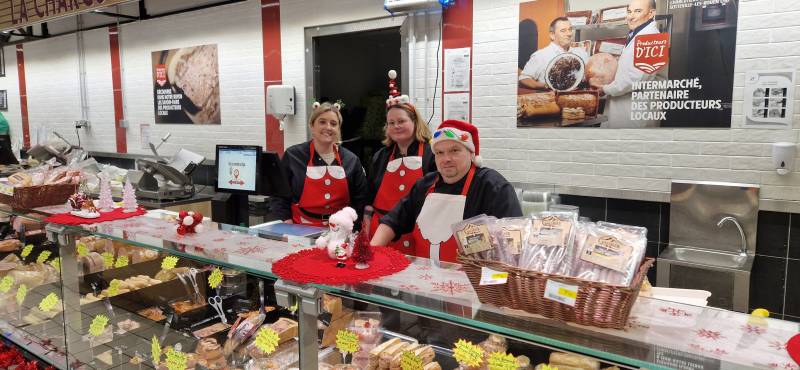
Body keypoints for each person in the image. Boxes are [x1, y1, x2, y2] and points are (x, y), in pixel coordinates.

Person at [370, 120, 522, 265]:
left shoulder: (493, 186)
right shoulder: (425, 185)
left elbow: (514, 241)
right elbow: (393, 221)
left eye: (454, 150)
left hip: (473, 285)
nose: (446, 159)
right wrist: (372, 253)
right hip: (424, 281)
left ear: (471, 153)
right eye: (440, 153)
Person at [271, 102, 369, 227]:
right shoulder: (293, 156)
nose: (328, 127)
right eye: (322, 122)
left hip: (340, 230)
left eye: (333, 124)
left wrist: (350, 226)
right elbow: (279, 195)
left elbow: (360, 199)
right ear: (312, 125)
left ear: (338, 129)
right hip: (300, 227)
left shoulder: (351, 160)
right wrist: (286, 222)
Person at [369, 94, 435, 252]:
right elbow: (370, 195)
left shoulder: (431, 153)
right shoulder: (381, 156)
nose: (396, 126)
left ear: (415, 122)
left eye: (401, 121)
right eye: (391, 123)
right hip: (381, 233)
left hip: (417, 230)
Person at [591, 0, 661, 128]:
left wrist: (604, 89)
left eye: (637, 11)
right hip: (624, 108)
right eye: (629, 11)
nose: (631, 16)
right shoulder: (637, 34)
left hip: (635, 112)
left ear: (651, 13)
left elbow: (635, 79)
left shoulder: (652, 38)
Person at [519, 17, 590, 90]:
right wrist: (546, 86)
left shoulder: (581, 53)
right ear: (552, 35)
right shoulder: (540, 55)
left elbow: (589, 75)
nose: (569, 34)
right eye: (563, 31)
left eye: (570, 29)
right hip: (552, 98)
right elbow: (524, 79)